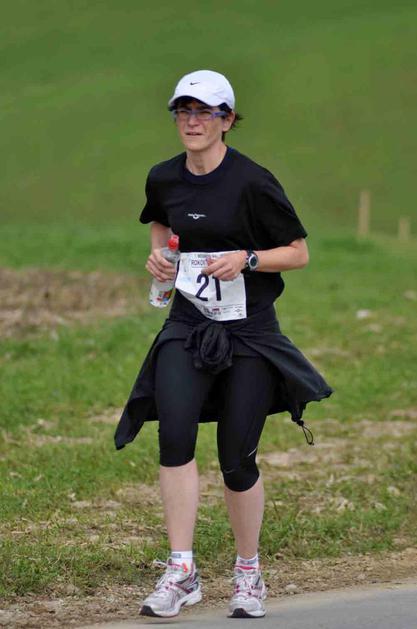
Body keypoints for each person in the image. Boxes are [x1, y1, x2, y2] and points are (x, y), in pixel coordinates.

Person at [114, 69, 332, 619]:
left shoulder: (254, 182)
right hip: (187, 326)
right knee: (174, 437)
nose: (191, 121)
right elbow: (161, 226)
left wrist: (247, 259)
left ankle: (248, 572)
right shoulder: (164, 177)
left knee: (236, 460)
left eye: (204, 112)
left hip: (249, 333)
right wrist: (162, 261)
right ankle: (181, 571)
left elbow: (298, 252)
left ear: (227, 120)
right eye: (183, 111)